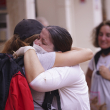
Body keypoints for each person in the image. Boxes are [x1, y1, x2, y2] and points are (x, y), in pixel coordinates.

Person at [12, 19, 92, 110]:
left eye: (43, 42)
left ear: (58, 52)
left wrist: (28, 50)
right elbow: (88, 52)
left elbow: (37, 82)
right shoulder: (35, 57)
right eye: (38, 38)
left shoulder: (67, 67)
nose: (36, 43)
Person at [86, 20, 110, 110]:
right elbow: (88, 75)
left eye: (108, 35)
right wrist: (91, 92)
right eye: (101, 34)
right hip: (97, 106)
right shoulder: (96, 57)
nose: (103, 38)